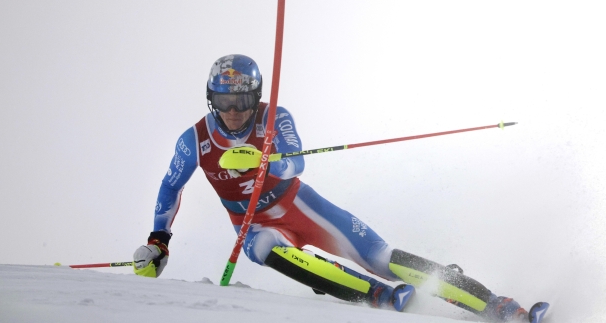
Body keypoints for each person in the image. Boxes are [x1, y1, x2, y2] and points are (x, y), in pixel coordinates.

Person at [133, 54, 531, 322]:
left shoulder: (274, 117)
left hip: (300, 205)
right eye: (224, 100)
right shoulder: (194, 140)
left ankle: (496, 304)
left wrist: (266, 159)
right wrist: (159, 242)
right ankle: (381, 297)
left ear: (255, 97)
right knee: (262, 249)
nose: (234, 111)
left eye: (242, 100)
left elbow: (296, 162)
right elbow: (171, 189)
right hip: (253, 223)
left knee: (382, 256)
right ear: (211, 100)